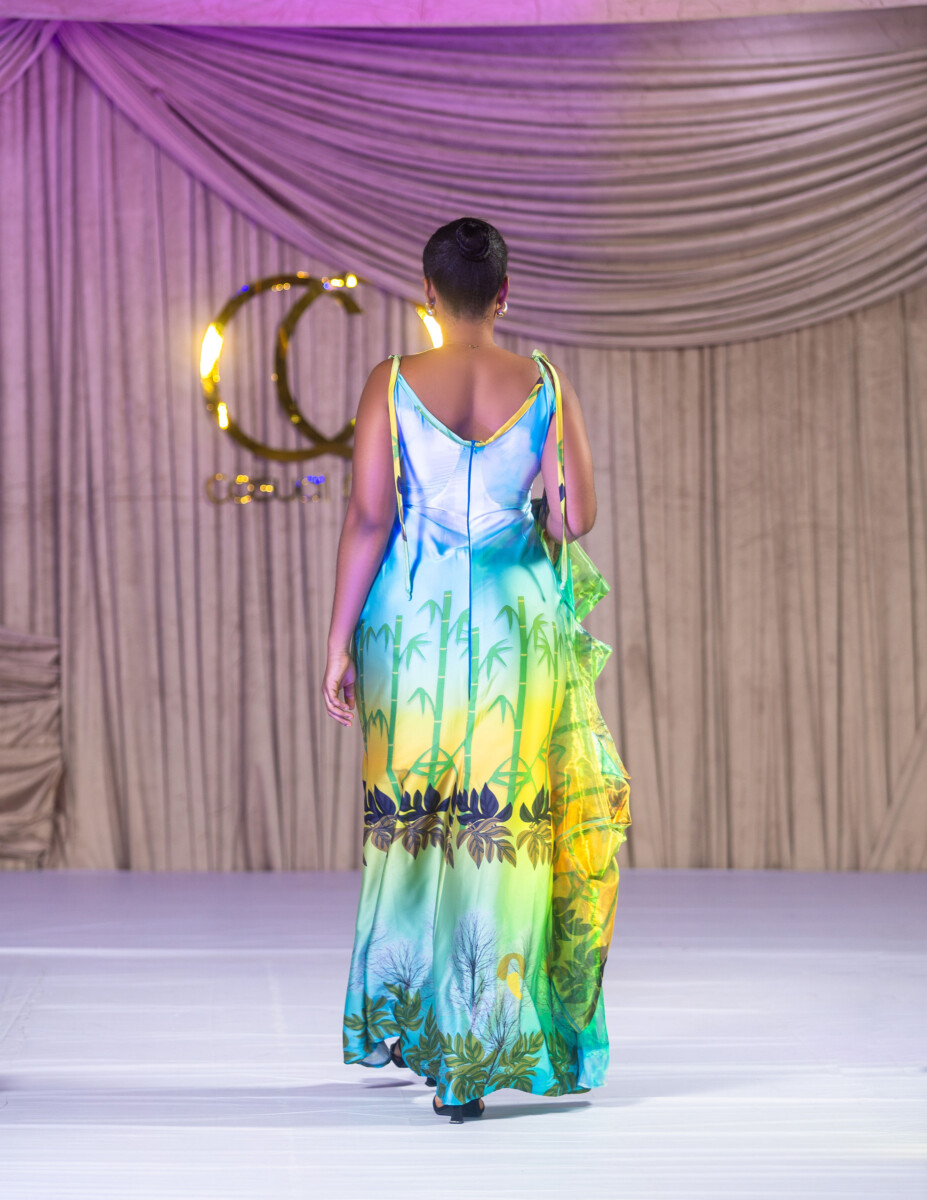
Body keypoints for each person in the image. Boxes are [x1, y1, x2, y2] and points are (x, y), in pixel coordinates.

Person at [323, 216, 630, 1124]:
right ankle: (482, 1043)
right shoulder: (542, 382)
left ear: (426, 294)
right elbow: (573, 518)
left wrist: (336, 642)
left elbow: (369, 517)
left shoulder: (389, 382)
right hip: (512, 625)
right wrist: (528, 510)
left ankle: (417, 1022)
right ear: (503, 294)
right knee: (506, 828)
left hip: (411, 626)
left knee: (415, 823)